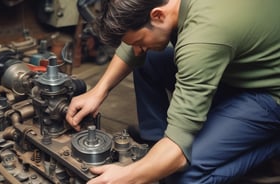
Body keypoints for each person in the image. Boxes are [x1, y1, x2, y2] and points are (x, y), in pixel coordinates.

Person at [66, 0, 280, 183]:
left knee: (183, 175)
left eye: (139, 42)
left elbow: (179, 156)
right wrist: (98, 91)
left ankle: (270, 143)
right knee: (147, 61)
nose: (137, 49)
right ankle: (156, 147)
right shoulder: (166, 6)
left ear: (157, 16)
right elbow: (132, 46)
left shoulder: (202, 38)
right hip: (240, 65)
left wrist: (129, 176)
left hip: (269, 92)